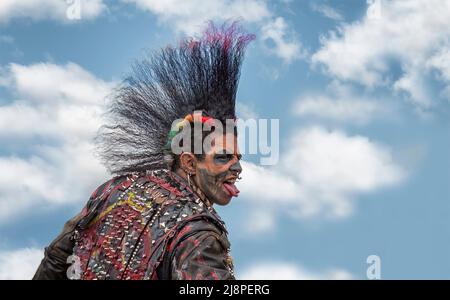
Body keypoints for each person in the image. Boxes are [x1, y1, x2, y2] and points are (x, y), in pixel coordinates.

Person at [33, 21, 254, 280]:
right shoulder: (197, 233)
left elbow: (57, 257)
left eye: (238, 158)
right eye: (223, 157)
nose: (237, 168)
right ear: (189, 163)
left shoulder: (117, 188)